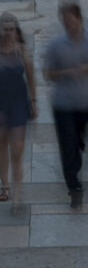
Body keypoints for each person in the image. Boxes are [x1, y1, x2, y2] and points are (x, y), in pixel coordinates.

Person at [43, 0, 88, 210]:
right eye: (64, 20)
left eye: (70, 20)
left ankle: (75, 165)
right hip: (63, 104)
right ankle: (74, 187)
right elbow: (48, 74)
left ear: (79, 19)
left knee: (79, 143)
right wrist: (67, 73)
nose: (67, 24)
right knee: (68, 146)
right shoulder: (55, 45)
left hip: (87, 102)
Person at [0, 14, 34, 208]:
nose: (8, 33)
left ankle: (18, 190)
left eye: (11, 29)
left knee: (17, 149)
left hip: (18, 103)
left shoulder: (22, 51)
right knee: (1, 145)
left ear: (16, 30)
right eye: (5, 29)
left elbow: (31, 77)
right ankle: (5, 185)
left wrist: (34, 101)